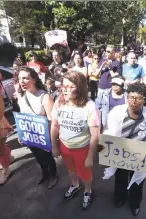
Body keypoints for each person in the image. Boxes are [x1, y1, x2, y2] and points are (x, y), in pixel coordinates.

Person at [100, 82, 146, 216]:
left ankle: (135, 203)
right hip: (121, 154)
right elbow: (109, 130)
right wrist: (105, 145)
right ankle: (119, 198)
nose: (134, 101)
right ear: (127, 97)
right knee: (120, 179)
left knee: (138, 182)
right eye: (131, 97)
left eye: (139, 98)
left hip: (141, 157)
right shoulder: (116, 112)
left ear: (144, 99)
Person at [50, 71, 100, 210]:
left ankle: (87, 191)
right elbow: (54, 125)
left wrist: (90, 156)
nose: (65, 90)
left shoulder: (89, 106)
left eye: (70, 87)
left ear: (80, 87)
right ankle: (75, 185)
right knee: (71, 169)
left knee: (85, 173)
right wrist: (54, 146)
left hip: (82, 148)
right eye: (63, 86)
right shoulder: (59, 101)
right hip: (64, 145)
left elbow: (95, 134)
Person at [15, 66, 58, 188]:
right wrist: (21, 133)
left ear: (33, 79)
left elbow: (52, 120)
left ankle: (53, 175)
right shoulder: (21, 97)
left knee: (48, 158)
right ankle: (45, 174)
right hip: (30, 135)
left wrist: (52, 140)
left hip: (44, 135)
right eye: (19, 78)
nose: (21, 81)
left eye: (25, 78)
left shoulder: (44, 97)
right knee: (38, 157)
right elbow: (22, 117)